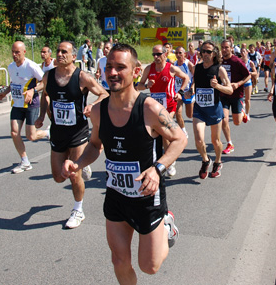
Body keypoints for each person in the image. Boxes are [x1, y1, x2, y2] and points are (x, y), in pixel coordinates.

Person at [62, 43, 186, 284]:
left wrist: (158, 169)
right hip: (117, 196)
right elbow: (95, 145)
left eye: (121, 67)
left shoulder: (149, 108)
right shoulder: (98, 111)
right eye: (109, 67)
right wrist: (77, 163)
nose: (113, 72)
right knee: (119, 261)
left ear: (136, 72)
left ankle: (165, 224)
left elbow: (180, 138)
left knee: (149, 266)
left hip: (147, 197)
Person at [35, 41, 109, 229]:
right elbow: (45, 93)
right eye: (58, 51)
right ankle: (82, 167)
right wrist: (42, 115)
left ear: (73, 56)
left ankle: (78, 210)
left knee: (73, 174)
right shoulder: (49, 76)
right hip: (58, 132)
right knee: (58, 176)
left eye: (64, 52)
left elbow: (104, 94)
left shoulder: (82, 77)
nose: (59, 54)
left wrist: (93, 105)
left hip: (78, 132)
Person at [0, 41, 49, 173]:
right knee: (14, 132)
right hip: (17, 104)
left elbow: (44, 82)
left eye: (17, 52)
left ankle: (48, 133)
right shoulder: (11, 67)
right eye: (13, 52)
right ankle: (25, 161)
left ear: (24, 52)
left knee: (31, 136)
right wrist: (5, 92)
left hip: (31, 104)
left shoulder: (31, 66)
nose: (14, 55)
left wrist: (33, 90)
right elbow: (14, 83)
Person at [137, 44, 189, 177]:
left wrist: (180, 92)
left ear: (165, 54)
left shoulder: (171, 68)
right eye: (153, 54)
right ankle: (158, 160)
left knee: (164, 135)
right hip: (154, 107)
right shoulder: (149, 68)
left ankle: (169, 163)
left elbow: (186, 78)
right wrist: (146, 85)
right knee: (153, 134)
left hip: (169, 106)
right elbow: (139, 86)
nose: (156, 57)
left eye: (158, 54)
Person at [191, 41, 233, 179]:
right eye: (203, 51)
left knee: (215, 141)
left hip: (214, 109)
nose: (205, 54)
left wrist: (218, 87)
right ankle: (205, 160)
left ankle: (218, 161)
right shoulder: (196, 68)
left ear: (214, 53)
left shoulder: (219, 69)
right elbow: (194, 85)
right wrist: (188, 93)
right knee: (198, 139)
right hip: (199, 109)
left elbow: (230, 89)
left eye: (208, 51)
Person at [219, 39, 251, 156]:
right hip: (223, 94)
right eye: (222, 47)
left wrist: (238, 84)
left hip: (236, 94)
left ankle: (242, 111)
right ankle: (229, 143)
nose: (224, 49)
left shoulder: (237, 61)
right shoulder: (220, 61)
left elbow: (248, 76)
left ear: (231, 48)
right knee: (224, 119)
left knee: (237, 122)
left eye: (226, 47)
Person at [173, 46, 195, 138]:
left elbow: (196, 77)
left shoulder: (188, 64)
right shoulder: (174, 64)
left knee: (189, 115)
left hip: (188, 92)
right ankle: (183, 131)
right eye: (176, 53)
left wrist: (193, 87)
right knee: (178, 112)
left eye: (180, 53)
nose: (178, 55)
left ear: (184, 54)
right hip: (178, 92)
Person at [240, 47, 257, 118]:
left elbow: (255, 72)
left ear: (247, 53)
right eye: (242, 52)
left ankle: (247, 113)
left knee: (247, 99)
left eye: (244, 52)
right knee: (239, 99)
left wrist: (249, 73)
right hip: (240, 82)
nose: (243, 53)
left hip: (248, 82)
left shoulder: (250, 63)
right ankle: (241, 110)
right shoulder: (239, 61)